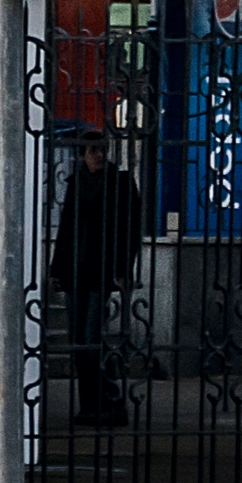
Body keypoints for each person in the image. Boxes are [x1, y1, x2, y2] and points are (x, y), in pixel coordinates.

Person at [51, 130, 149, 432]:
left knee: (93, 337)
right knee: (79, 341)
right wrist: (57, 270)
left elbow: (130, 231)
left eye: (101, 149)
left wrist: (122, 269)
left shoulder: (119, 183)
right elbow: (67, 230)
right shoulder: (76, 182)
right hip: (77, 271)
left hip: (101, 270)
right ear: (82, 153)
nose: (98, 155)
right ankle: (90, 405)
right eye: (92, 150)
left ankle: (110, 400)